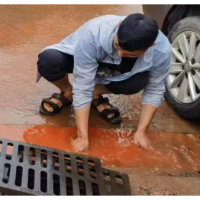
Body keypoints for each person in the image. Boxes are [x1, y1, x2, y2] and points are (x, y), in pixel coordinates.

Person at [36, 14, 171, 152]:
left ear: (151, 45)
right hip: (82, 55)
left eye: (129, 54)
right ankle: (67, 91)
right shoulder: (95, 34)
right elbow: (83, 86)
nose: (119, 54)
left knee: (139, 81)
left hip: (116, 71)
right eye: (117, 45)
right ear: (119, 25)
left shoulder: (161, 51)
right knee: (49, 60)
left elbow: (155, 89)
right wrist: (82, 136)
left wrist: (142, 131)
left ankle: (96, 93)